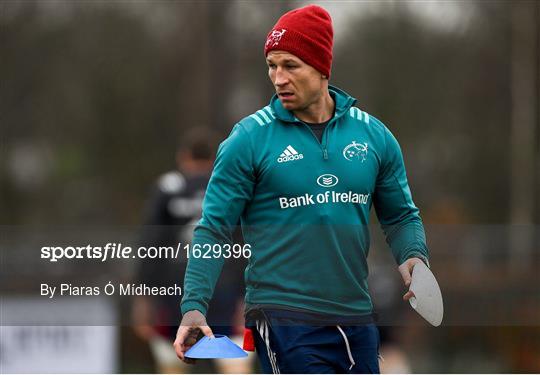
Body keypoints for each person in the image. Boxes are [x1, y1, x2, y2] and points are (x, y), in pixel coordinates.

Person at [174, 5, 429, 374]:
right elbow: (213, 228)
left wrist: (413, 257)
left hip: (356, 315)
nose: (278, 78)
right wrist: (194, 306)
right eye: (272, 66)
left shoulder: (374, 136)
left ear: (322, 67)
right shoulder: (248, 139)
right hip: (283, 316)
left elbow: (401, 215)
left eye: (290, 66)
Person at [132, 128, 250, 373]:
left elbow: (152, 244)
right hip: (224, 285)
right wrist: (247, 295)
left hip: (176, 287)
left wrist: (143, 297)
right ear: (215, 158)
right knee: (234, 363)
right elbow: (244, 244)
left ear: (183, 156)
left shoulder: (167, 187)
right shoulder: (229, 186)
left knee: (173, 363)